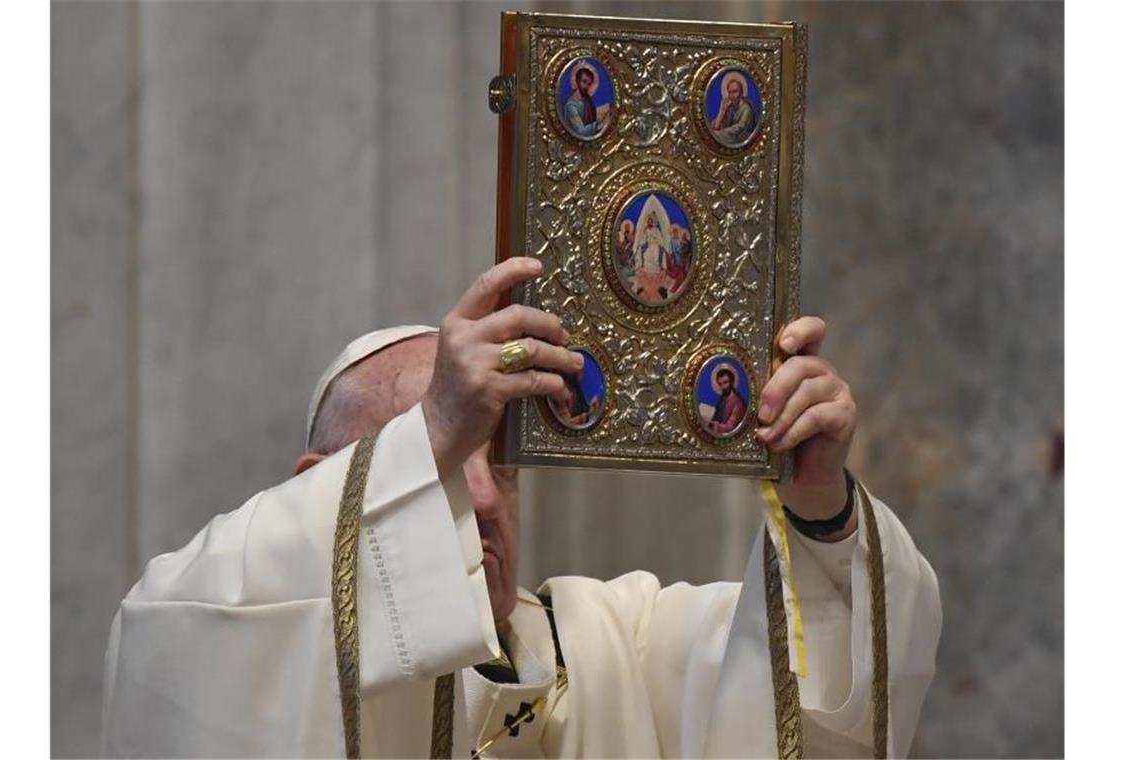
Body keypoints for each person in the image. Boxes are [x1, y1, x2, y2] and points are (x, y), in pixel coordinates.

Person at [101, 258, 941, 758]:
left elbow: (810, 700)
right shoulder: (233, 606)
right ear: (317, 484)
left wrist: (818, 502)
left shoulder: (618, 642)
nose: (479, 495)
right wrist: (434, 425)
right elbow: (175, 637)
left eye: (496, 459)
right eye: (437, 455)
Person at [710, 72, 757, 148]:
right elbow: (716, 127)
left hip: (741, 141)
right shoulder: (731, 108)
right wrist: (722, 111)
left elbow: (740, 127)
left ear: (741, 92)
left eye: (735, 91)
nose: (732, 96)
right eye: (729, 92)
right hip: (731, 138)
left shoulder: (746, 109)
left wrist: (719, 134)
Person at [562, 64, 608, 139]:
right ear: (577, 81)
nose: (586, 86)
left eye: (589, 84)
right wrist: (599, 124)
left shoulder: (586, 101)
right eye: (584, 82)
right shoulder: (571, 106)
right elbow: (580, 131)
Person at [706, 365, 748, 436]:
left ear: (731, 382)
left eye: (725, 382)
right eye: (720, 384)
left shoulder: (738, 403)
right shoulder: (722, 400)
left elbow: (731, 427)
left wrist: (712, 424)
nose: (723, 387)